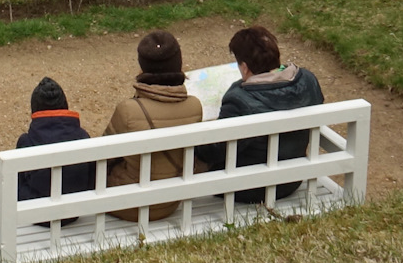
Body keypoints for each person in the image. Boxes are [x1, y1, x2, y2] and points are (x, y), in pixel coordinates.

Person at [198, 25, 325, 203]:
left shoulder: (240, 100)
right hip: (291, 180)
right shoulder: (308, 80)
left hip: (248, 188)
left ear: (244, 67)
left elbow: (215, 150)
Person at [99, 30, 203, 221]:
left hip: (129, 205)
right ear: (178, 63)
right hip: (171, 202)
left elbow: (104, 155)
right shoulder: (195, 106)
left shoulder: (128, 110)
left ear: (143, 65)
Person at [15, 77, 96, 221]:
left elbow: (17, 186)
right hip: (73, 214)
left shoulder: (27, 141)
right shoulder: (82, 137)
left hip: (38, 216)